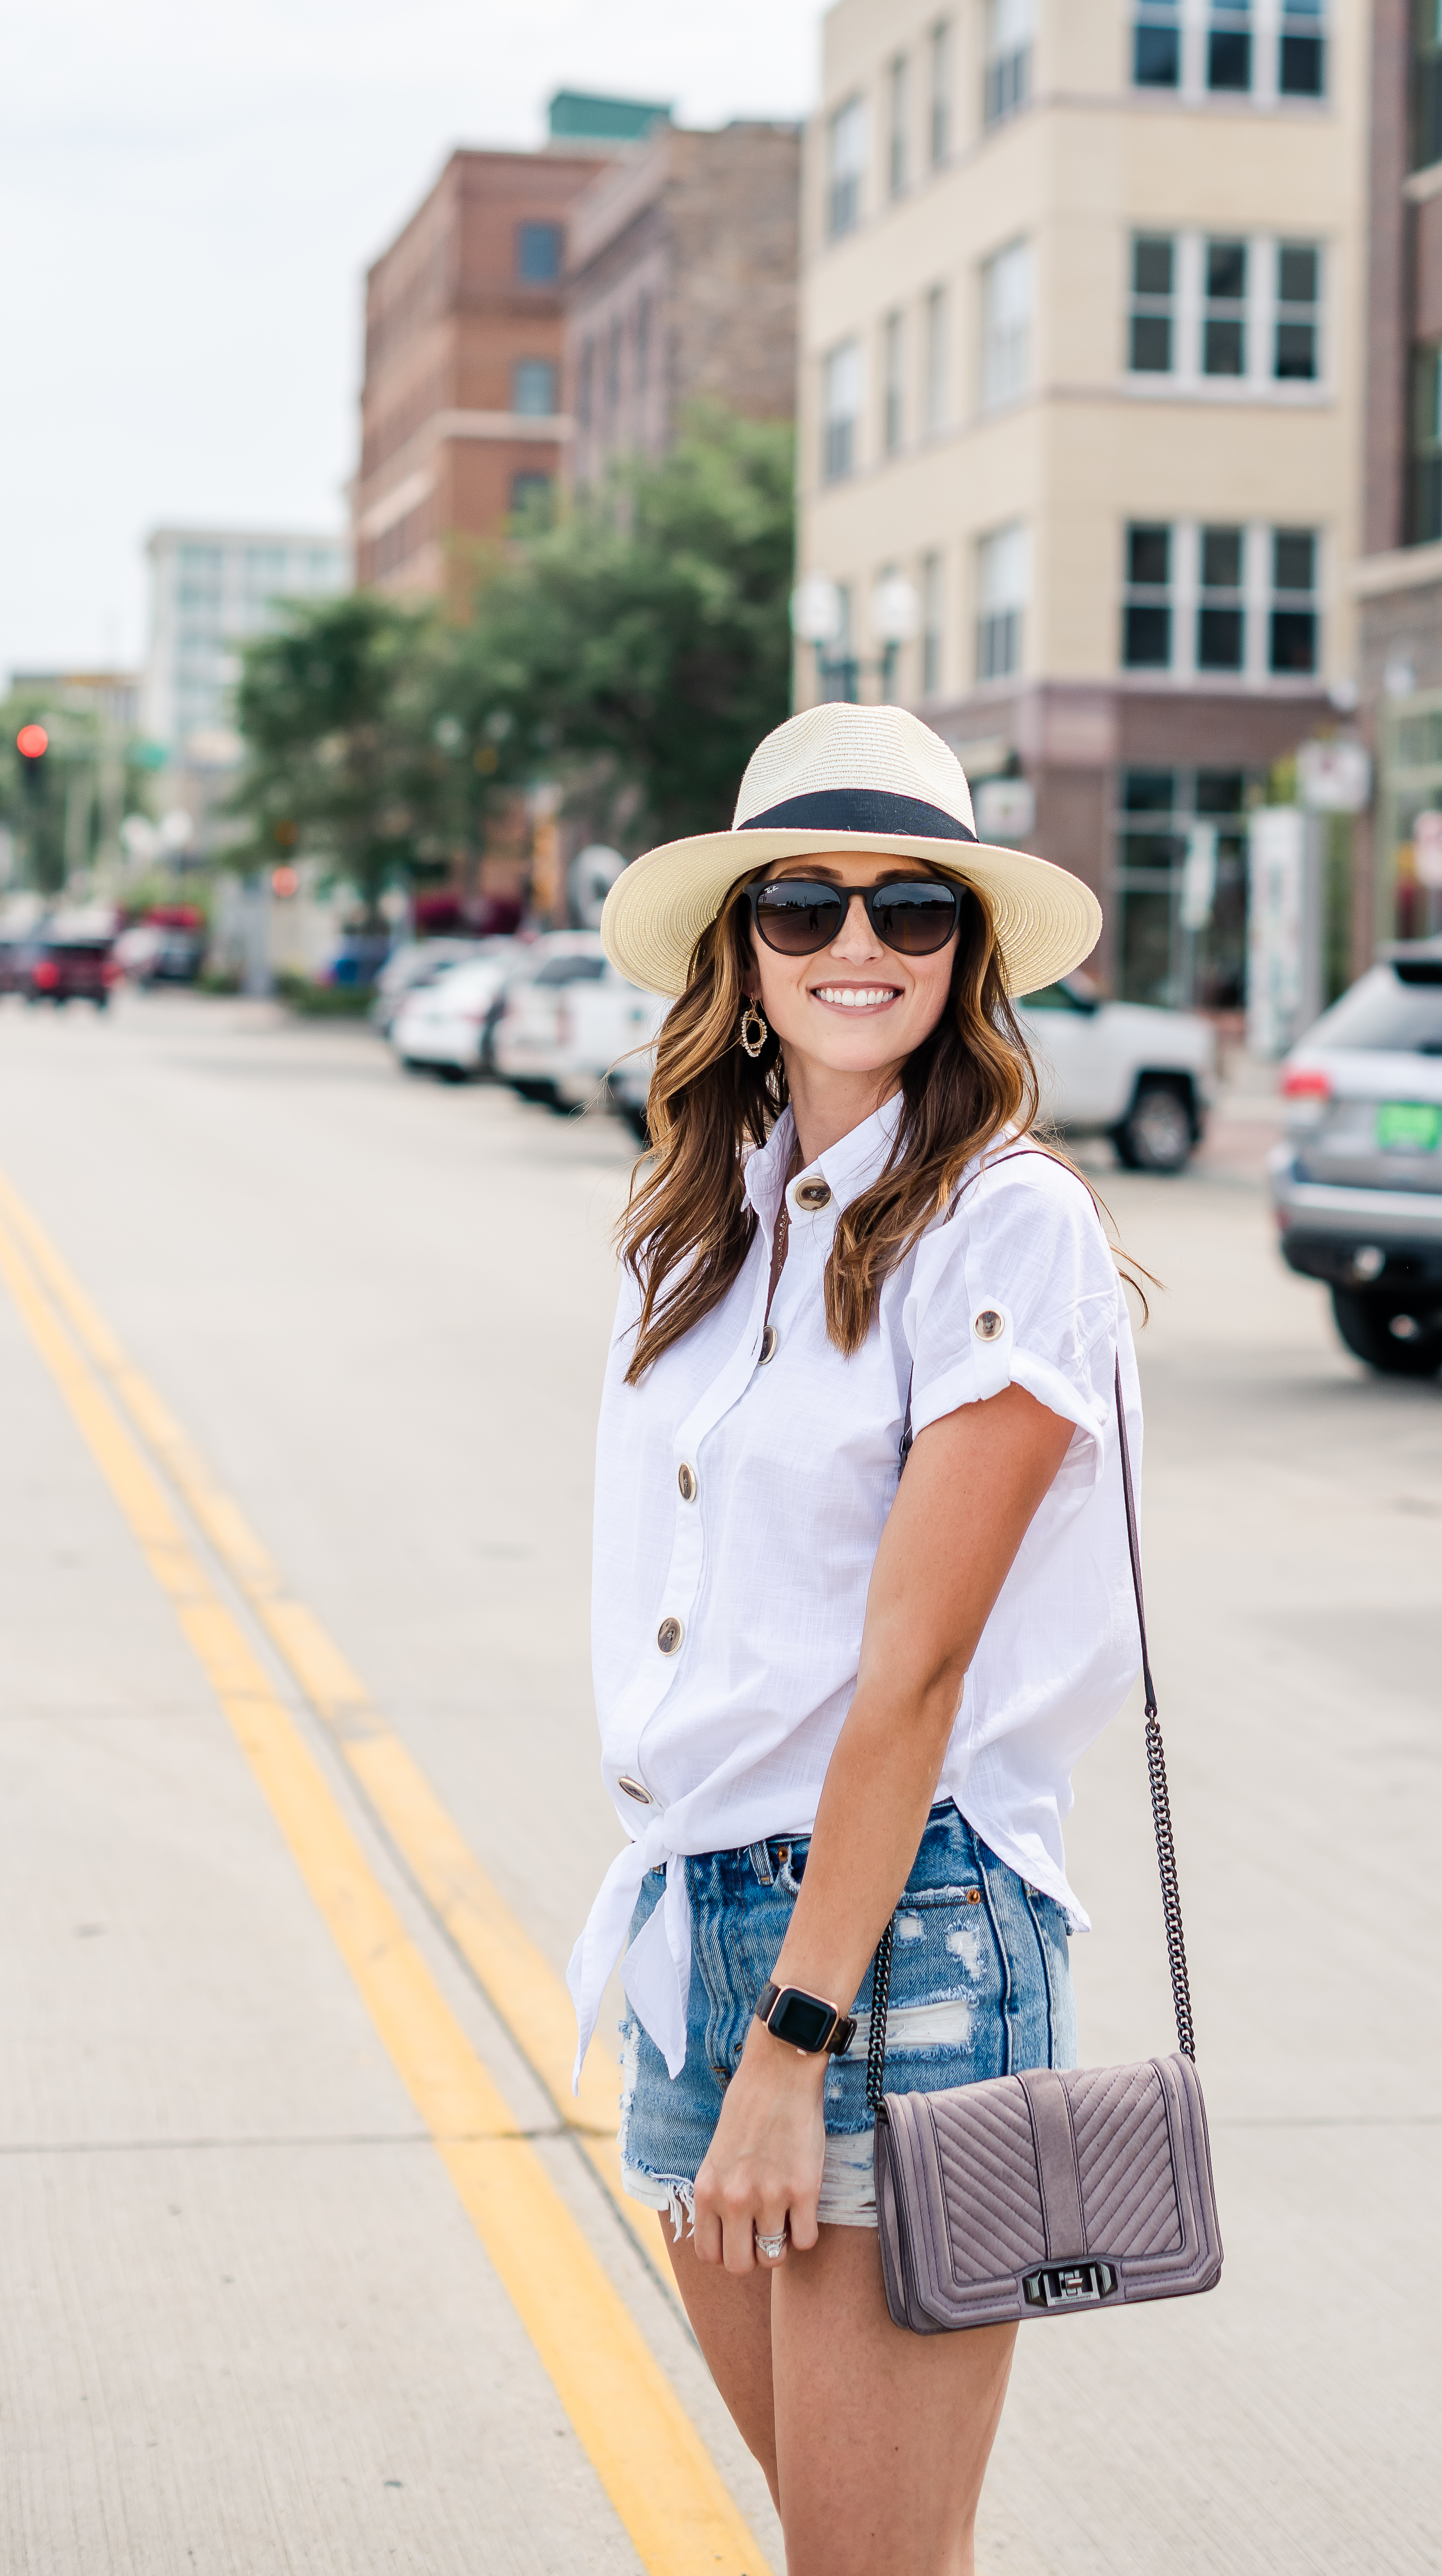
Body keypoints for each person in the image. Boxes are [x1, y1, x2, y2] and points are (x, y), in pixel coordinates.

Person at [567, 703, 1146, 2576]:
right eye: (802, 904)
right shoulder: (708, 1220)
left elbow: (914, 1673)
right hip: (700, 1919)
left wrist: (794, 2040)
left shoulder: (1006, 1225)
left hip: (892, 1942)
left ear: (966, 951)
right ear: (736, 950)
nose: (855, 941)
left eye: (908, 902)